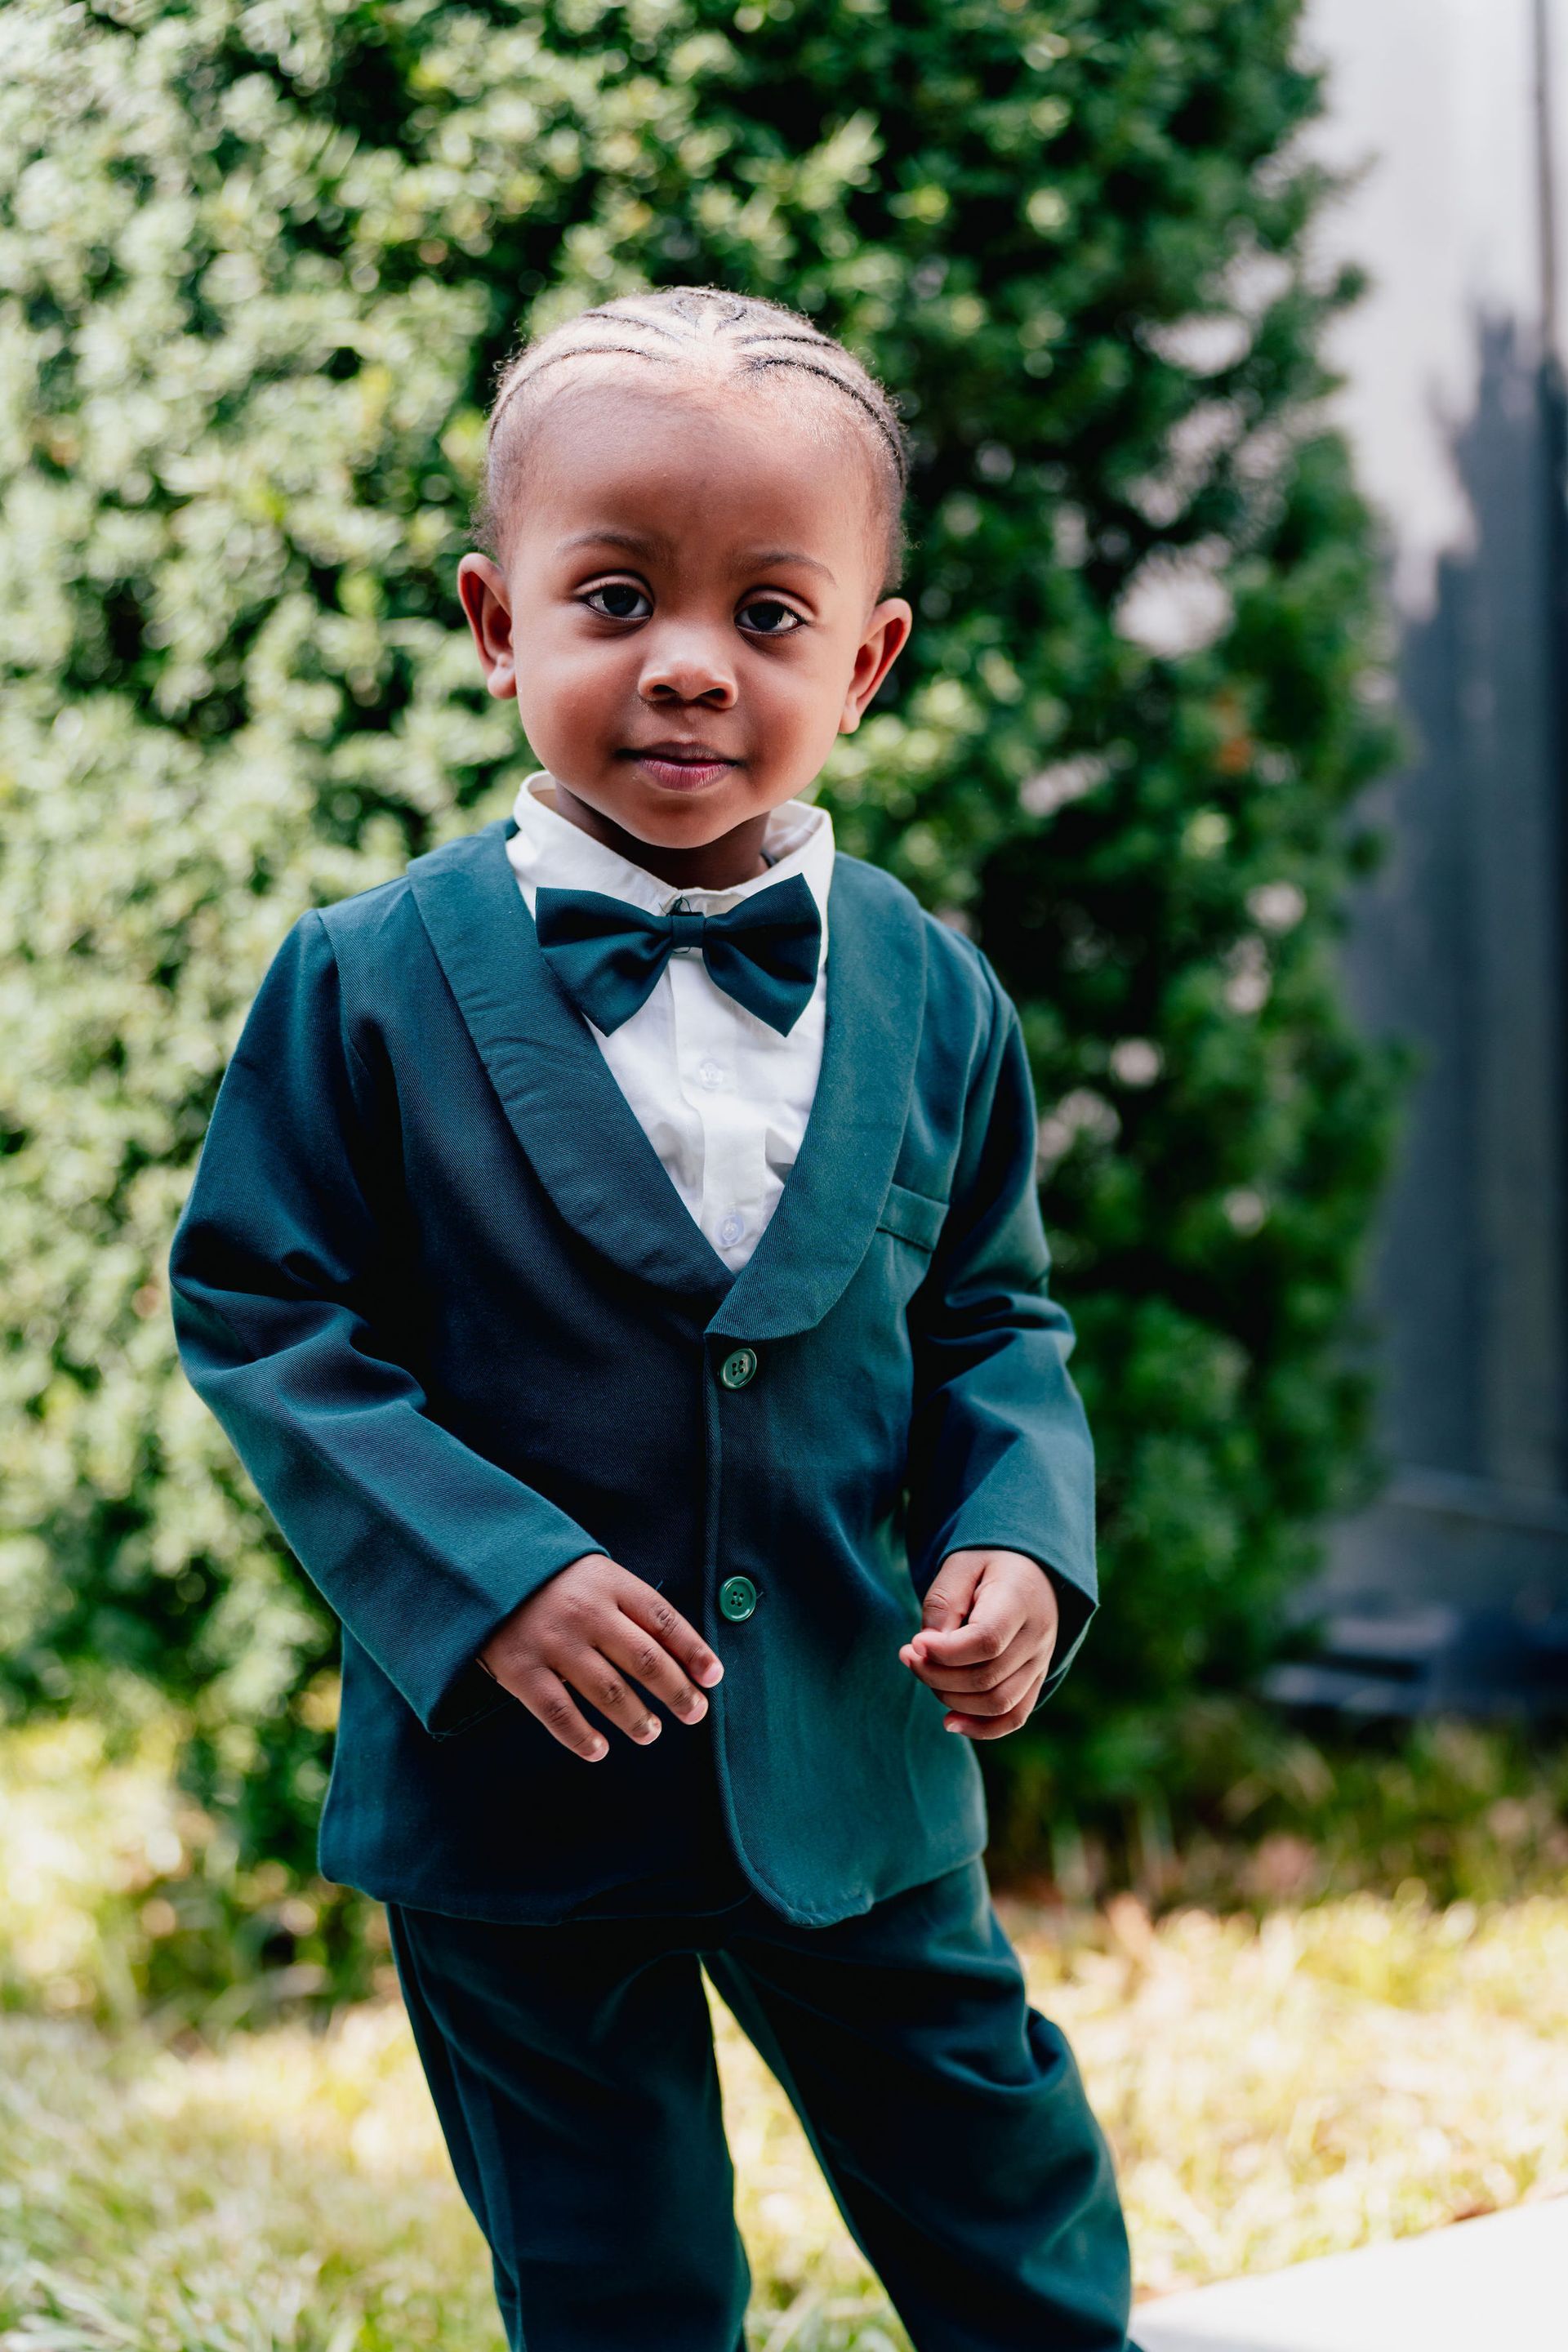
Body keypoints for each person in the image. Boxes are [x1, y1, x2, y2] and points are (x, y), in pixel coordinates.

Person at [169, 284, 1136, 2352]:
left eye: (769, 616)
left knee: (1003, 2185)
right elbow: (266, 1314)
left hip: (863, 1762)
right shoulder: (358, 980)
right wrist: (492, 1577)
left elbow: (993, 1315)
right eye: (614, 596)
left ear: (864, 660)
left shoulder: (933, 990)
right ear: (498, 621)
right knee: (617, 2269)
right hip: (518, 1799)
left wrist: (1017, 1534)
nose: (689, 663)